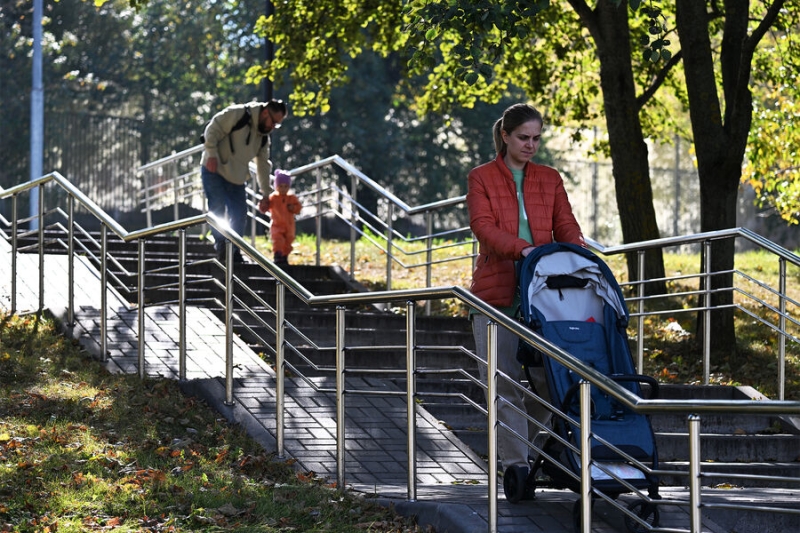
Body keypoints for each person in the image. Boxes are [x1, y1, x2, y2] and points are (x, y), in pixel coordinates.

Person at [466, 103, 585, 498]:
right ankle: (515, 468)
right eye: (523, 137)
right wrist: (525, 250)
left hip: (545, 297)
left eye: (536, 138)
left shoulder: (550, 179)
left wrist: (581, 257)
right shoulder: (481, 177)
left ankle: (531, 458)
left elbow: (566, 226)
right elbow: (483, 229)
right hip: (496, 297)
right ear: (505, 135)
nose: (530, 145)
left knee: (551, 385)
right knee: (503, 386)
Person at [200, 99, 288, 262]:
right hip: (214, 168)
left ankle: (234, 250)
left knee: (240, 214)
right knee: (217, 207)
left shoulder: (263, 138)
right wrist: (211, 153)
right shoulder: (238, 114)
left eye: (277, 125)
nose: (272, 127)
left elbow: (263, 165)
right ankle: (221, 247)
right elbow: (212, 129)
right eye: (273, 122)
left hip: (237, 175)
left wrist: (266, 194)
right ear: (264, 112)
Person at [263, 169, 302, 264]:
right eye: (281, 186)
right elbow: (266, 206)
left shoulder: (292, 198)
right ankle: (278, 254)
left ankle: (284, 256)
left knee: (288, 241)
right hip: (277, 224)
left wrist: (293, 208)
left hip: (289, 225)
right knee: (278, 240)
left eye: (286, 186)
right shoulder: (273, 197)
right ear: (276, 186)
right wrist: (263, 204)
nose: (283, 189)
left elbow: (298, 208)